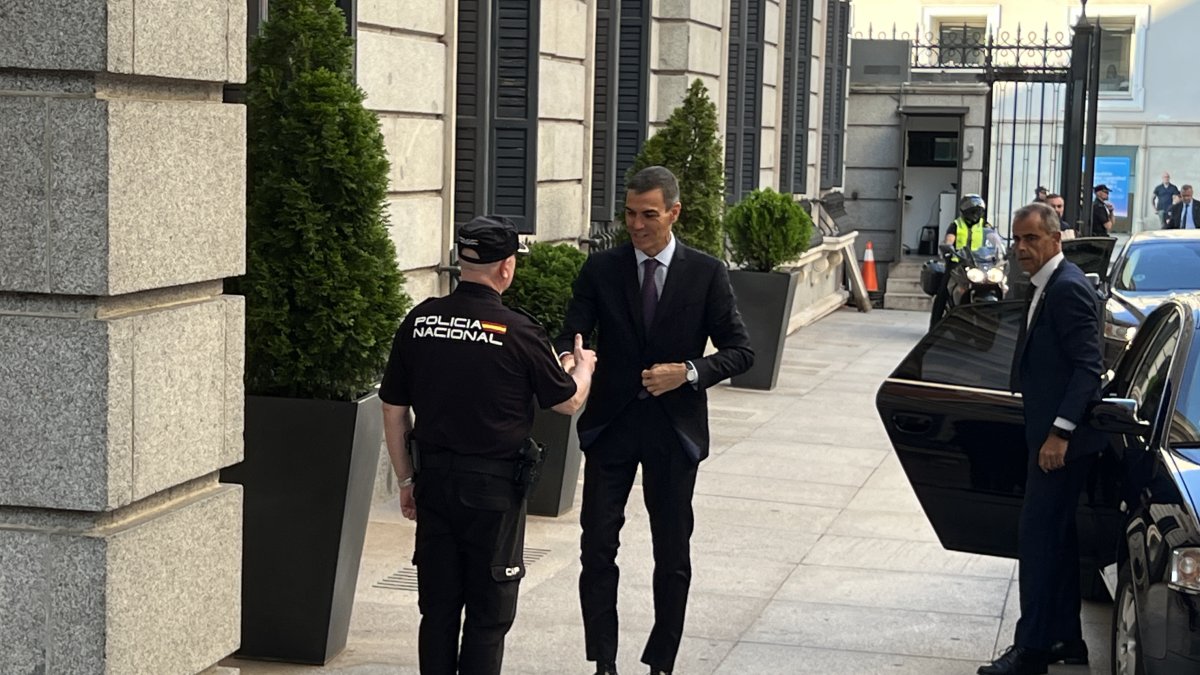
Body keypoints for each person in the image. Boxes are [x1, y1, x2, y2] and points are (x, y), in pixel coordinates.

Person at [554, 166, 754, 675]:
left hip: (673, 430)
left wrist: (688, 372)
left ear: (673, 213)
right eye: (629, 214)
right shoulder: (601, 269)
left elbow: (740, 351)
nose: (637, 226)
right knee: (597, 546)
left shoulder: (707, 272)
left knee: (672, 553)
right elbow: (572, 337)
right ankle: (603, 660)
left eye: (648, 215)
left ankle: (661, 661)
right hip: (611, 428)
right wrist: (573, 362)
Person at [379, 215, 598, 675]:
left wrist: (405, 479)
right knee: (488, 616)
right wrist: (584, 367)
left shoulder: (420, 321)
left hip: (434, 482)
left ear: (462, 262)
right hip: (493, 491)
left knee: (437, 610)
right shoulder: (518, 330)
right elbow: (567, 401)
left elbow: (394, 408)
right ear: (506, 268)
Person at [978, 202, 1105, 675]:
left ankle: (1029, 651)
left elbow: (1088, 367)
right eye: (1016, 239)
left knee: (1036, 541)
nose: (1020, 248)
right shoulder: (1048, 286)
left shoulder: (1067, 288)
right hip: (1047, 439)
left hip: (1060, 447)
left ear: (1055, 239)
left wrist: (1059, 433)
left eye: (1030, 239)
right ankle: (1067, 642)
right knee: (1057, 541)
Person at [930, 194, 990, 329]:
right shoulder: (956, 225)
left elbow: (993, 237)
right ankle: (934, 328)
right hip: (957, 263)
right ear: (965, 211)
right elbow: (949, 239)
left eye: (978, 211)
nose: (976, 214)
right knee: (942, 291)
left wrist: (1001, 247)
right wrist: (948, 245)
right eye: (973, 211)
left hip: (978, 263)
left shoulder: (985, 225)